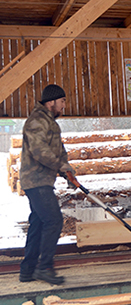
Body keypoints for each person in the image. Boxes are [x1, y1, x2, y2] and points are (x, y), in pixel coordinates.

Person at [18, 84, 75, 285]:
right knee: (54, 221)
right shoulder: (37, 121)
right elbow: (39, 150)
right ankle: (45, 267)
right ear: (51, 102)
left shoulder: (51, 123)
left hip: (43, 180)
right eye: (62, 102)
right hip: (36, 180)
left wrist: (67, 170)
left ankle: (28, 270)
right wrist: (60, 166)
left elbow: (60, 151)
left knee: (39, 223)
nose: (64, 106)